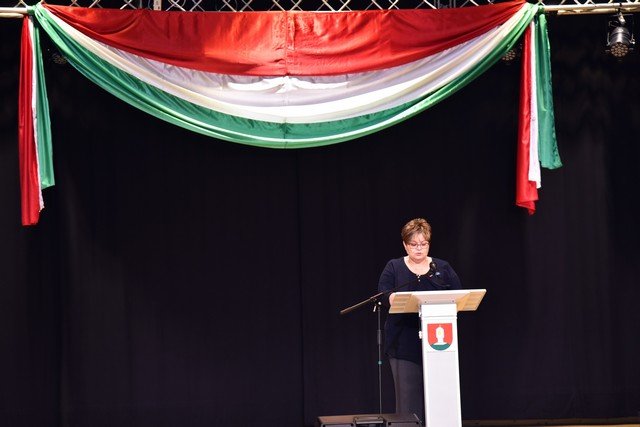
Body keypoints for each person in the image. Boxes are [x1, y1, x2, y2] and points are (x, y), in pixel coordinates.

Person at [377, 218, 462, 424]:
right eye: (413, 244)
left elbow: (459, 296)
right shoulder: (394, 267)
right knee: (409, 405)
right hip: (403, 344)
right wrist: (394, 298)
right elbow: (383, 295)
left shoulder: (441, 267)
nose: (419, 248)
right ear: (405, 245)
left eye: (423, 244)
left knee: (441, 400)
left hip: (440, 345)